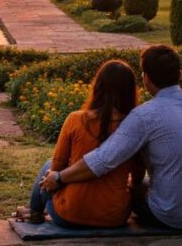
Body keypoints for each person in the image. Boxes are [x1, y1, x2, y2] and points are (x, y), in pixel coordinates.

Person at [41, 45, 182, 229]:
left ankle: (35, 211)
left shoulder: (144, 115)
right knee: (148, 183)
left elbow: (102, 159)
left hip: (171, 216)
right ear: (179, 74)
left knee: (138, 190)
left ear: (146, 79)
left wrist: (59, 177)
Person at [19, 60, 144, 228]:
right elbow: (137, 176)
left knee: (48, 165)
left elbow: (56, 168)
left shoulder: (76, 119)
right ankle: (35, 211)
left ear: (98, 86)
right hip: (114, 217)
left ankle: (35, 212)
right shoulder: (134, 127)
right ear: (131, 91)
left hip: (70, 215)